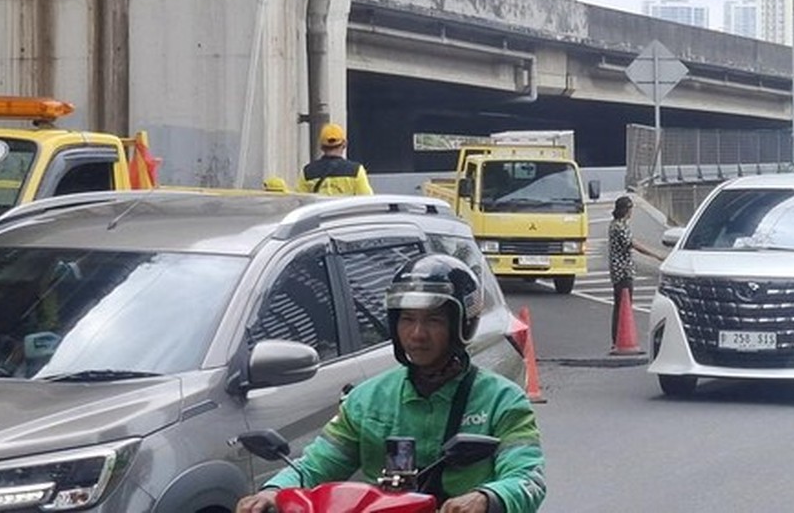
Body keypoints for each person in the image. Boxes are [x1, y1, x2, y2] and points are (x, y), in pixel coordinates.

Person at [234, 254, 546, 513]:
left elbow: (528, 478)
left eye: (433, 320)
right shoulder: (366, 400)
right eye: (407, 319)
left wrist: (488, 497)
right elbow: (317, 463)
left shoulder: (503, 401)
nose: (417, 334)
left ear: (461, 323)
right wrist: (275, 490)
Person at [607, 195, 665, 348]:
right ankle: (619, 339)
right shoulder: (619, 227)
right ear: (626, 210)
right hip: (623, 271)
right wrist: (656, 255)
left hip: (618, 270)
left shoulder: (616, 225)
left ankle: (617, 339)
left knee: (620, 305)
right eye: (631, 208)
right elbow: (633, 244)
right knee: (623, 305)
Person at [296, 122, 373, 195]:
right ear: (345, 144)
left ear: (321, 146)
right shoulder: (356, 171)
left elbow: (299, 201)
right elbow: (367, 202)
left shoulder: (307, 173)